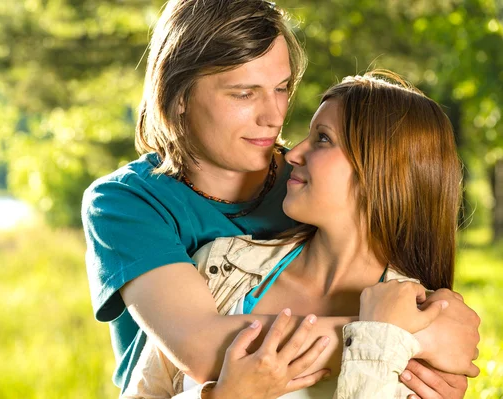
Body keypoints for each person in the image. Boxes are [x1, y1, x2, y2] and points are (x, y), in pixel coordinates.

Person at [81, 0, 479, 396]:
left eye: (282, 88)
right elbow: (201, 348)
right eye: (243, 94)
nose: (274, 117)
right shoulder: (129, 203)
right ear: (179, 95)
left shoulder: (310, 186)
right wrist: (403, 339)